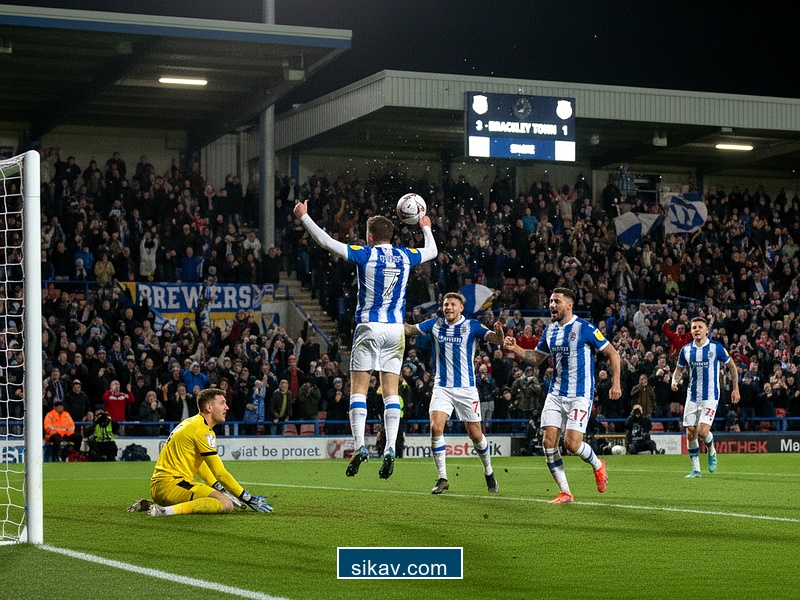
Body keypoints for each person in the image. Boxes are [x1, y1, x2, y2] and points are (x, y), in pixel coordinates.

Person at [294, 198, 437, 479]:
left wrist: (305, 217)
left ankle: (360, 446)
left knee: (358, 390)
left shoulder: (366, 253)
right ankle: (390, 448)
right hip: (395, 329)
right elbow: (431, 250)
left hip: (369, 326)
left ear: (370, 237)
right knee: (391, 392)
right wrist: (426, 226)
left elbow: (327, 242)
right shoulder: (406, 255)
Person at [504, 287, 621, 504]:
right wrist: (516, 348)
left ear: (569, 305)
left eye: (556, 301)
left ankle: (597, 464)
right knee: (548, 442)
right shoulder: (550, 331)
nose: (551, 305)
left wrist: (616, 383)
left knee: (572, 444)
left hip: (580, 394)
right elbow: (537, 358)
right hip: (556, 393)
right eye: (550, 301)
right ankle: (565, 492)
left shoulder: (585, 328)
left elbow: (613, 354)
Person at [404, 292, 505, 494]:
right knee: (435, 428)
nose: (448, 307)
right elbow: (408, 330)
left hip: (466, 389)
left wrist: (499, 333)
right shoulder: (434, 324)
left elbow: (495, 339)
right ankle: (443, 477)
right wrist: (386, 323)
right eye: (445, 304)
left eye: (452, 304)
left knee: (475, 435)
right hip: (442, 387)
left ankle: (489, 472)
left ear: (460, 308)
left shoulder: (472, 325)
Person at [127, 387, 272, 516]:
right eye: (222, 403)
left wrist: (219, 489)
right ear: (209, 407)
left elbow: (201, 465)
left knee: (216, 497)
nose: (227, 407)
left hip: (160, 487)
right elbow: (220, 473)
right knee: (225, 505)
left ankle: (155, 505)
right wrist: (247, 498)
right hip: (172, 485)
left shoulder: (191, 422)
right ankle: (166, 511)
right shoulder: (203, 431)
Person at [671, 316, 740, 477]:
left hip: (710, 397)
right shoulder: (686, 350)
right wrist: (675, 380)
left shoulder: (716, 348)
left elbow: (732, 367)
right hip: (692, 397)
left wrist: (735, 388)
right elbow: (679, 370)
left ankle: (711, 448)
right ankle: (696, 469)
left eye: (700, 327)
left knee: (702, 432)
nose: (696, 329)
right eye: (694, 327)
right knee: (690, 434)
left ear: (707, 331)